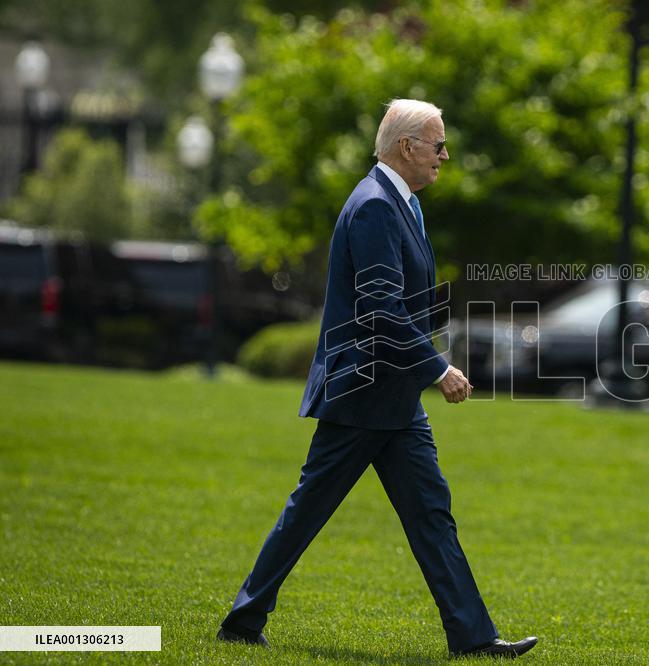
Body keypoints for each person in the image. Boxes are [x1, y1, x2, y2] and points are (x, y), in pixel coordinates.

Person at [216, 98, 537, 659]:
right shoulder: (374, 207)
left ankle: (474, 639)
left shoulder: (401, 203)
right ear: (407, 147)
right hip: (363, 393)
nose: (445, 155)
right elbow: (381, 309)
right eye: (438, 145)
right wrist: (438, 367)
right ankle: (243, 619)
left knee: (431, 515)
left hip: (394, 396)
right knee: (309, 510)